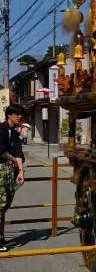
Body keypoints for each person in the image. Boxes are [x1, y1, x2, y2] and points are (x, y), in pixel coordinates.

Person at [0, 104, 25, 251]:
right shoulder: (1, 129)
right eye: (16, 114)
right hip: (1, 168)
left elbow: (19, 153)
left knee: (5, 204)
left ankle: (1, 238)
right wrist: (14, 161)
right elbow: (1, 151)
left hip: (10, 171)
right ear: (9, 115)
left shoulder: (15, 134)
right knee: (0, 205)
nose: (19, 117)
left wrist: (20, 171)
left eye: (20, 114)